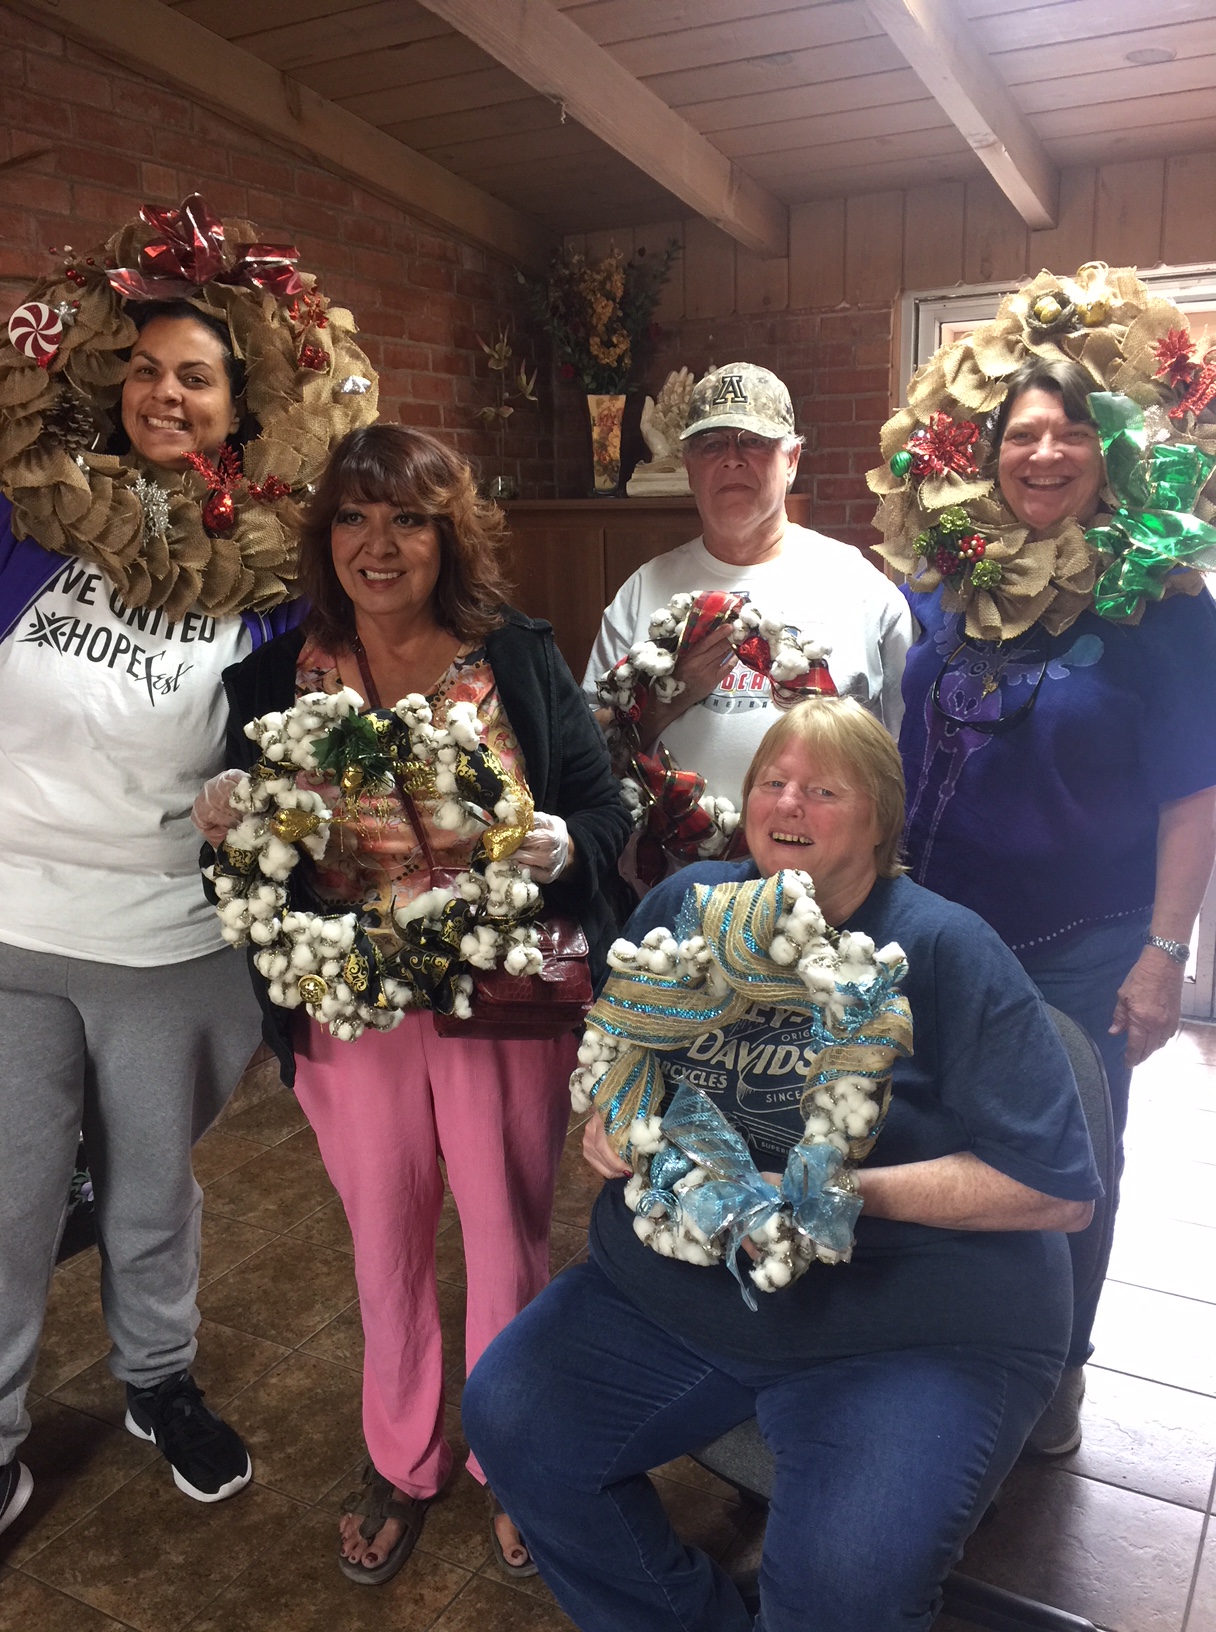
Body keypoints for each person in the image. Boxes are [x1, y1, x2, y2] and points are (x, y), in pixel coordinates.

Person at [462, 696, 1099, 1632]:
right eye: (772, 782)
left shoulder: (943, 947)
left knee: (845, 1591)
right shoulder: (687, 905)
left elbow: (1054, 1191)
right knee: (512, 1421)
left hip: (908, 1323)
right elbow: (627, 1053)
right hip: (672, 1293)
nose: (789, 803)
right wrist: (610, 1122)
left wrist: (823, 1197)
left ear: (881, 820)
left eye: (824, 790)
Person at [0, 193, 376, 1535]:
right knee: (7, 1202)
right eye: (149, 368)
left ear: (238, 402)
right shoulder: (33, 532)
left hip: (169, 940)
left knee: (152, 1193)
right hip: (11, 930)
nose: (169, 393)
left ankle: (158, 1381)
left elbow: (300, 747)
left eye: (198, 376)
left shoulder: (267, 577)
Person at [196, 423, 630, 1584]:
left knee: (506, 1235)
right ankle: (402, 1459)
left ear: (450, 537)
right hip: (352, 1010)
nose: (377, 545)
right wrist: (227, 825)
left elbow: (603, 812)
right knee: (383, 1243)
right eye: (353, 516)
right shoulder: (273, 681)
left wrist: (563, 845)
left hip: (505, 996)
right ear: (325, 535)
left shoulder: (515, 657)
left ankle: (511, 1457)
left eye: (408, 520)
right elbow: (239, 865)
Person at [878, 270, 1216, 1456]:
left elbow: (1195, 793)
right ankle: (954, 1343)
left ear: (1107, 448)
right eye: (1022, 431)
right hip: (936, 932)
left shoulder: (1162, 606)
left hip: (1083, 947)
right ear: (987, 452)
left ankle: (1057, 1366)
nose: (1046, 451)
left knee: (1068, 1160)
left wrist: (1163, 954)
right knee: (932, 1137)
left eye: (1072, 429)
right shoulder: (945, 580)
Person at [584, 362, 913, 823]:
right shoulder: (642, 592)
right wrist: (663, 702)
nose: (732, 458)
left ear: (792, 460)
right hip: (669, 862)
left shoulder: (860, 589)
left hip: (822, 863)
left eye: (754, 441)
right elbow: (588, 757)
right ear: (688, 466)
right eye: (712, 444)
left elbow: (908, 759)